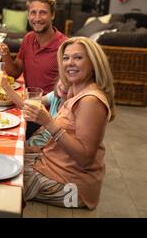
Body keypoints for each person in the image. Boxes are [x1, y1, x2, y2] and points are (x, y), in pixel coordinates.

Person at [22, 37, 115, 209]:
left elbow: (85, 159)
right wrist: (40, 148)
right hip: (52, 166)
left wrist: (48, 122)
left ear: (93, 63)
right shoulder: (75, 89)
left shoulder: (90, 100)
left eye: (78, 57)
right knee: (9, 159)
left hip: (73, 188)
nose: (70, 63)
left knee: (4, 183)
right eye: (66, 58)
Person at [0, 0, 68, 94]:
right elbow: (14, 73)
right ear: (28, 15)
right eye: (33, 12)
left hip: (51, 107)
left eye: (43, 12)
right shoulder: (28, 39)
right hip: (29, 103)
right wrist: (5, 53)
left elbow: (69, 87)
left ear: (52, 15)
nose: (37, 18)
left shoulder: (64, 46)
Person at [1, 77, 69, 150]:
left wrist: (32, 149)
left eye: (70, 84)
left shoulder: (72, 110)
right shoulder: (54, 96)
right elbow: (25, 106)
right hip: (35, 141)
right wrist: (6, 87)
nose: (64, 86)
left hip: (44, 149)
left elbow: (58, 146)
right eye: (63, 80)